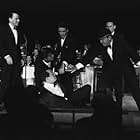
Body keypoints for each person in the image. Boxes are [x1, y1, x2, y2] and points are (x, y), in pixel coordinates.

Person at [93, 27, 140, 113]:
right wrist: (77, 66)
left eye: (102, 39)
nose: (101, 42)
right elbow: (90, 55)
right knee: (118, 93)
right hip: (115, 72)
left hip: (127, 70)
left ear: (109, 38)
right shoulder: (102, 46)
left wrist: (138, 62)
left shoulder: (120, 41)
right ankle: (118, 113)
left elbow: (130, 51)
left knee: (136, 91)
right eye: (100, 40)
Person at [0, 12, 25, 111]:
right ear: (10, 19)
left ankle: (12, 104)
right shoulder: (2, 29)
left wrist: (21, 59)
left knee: (14, 83)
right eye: (16, 19)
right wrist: (6, 56)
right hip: (7, 61)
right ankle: (1, 102)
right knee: (5, 82)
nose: (18, 21)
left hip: (16, 61)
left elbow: (17, 47)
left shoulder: (18, 31)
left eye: (18, 19)